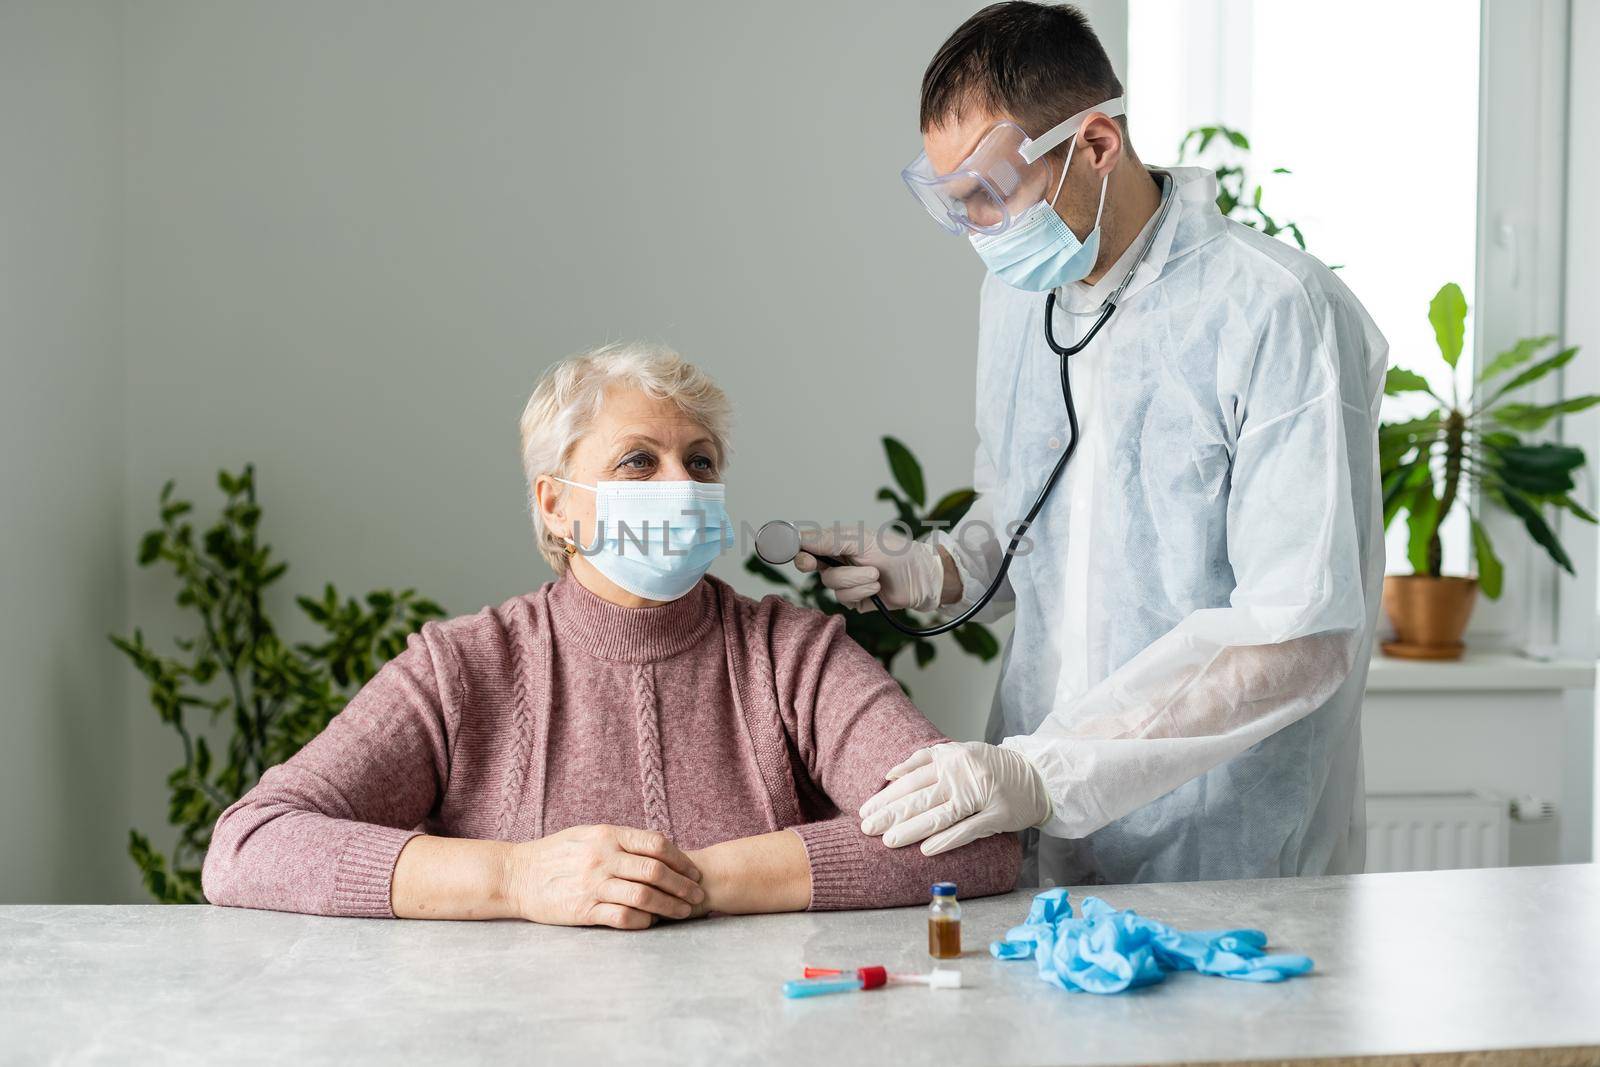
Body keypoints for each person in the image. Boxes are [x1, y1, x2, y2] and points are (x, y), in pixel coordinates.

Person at [796, 2, 1387, 886]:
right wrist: (928, 571)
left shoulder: (1274, 309)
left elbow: (1297, 633)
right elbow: (1026, 521)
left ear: (1098, 144)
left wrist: (1051, 768)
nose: (980, 232)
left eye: (994, 193)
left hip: (1222, 847)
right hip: (1039, 826)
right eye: (957, 206)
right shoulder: (1021, 300)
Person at [202, 343, 1019, 926]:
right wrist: (520, 877)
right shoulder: (463, 668)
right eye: (640, 460)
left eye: (701, 463)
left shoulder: (794, 655)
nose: (683, 485)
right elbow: (249, 845)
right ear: (555, 503)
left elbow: (979, 844)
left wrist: (694, 880)